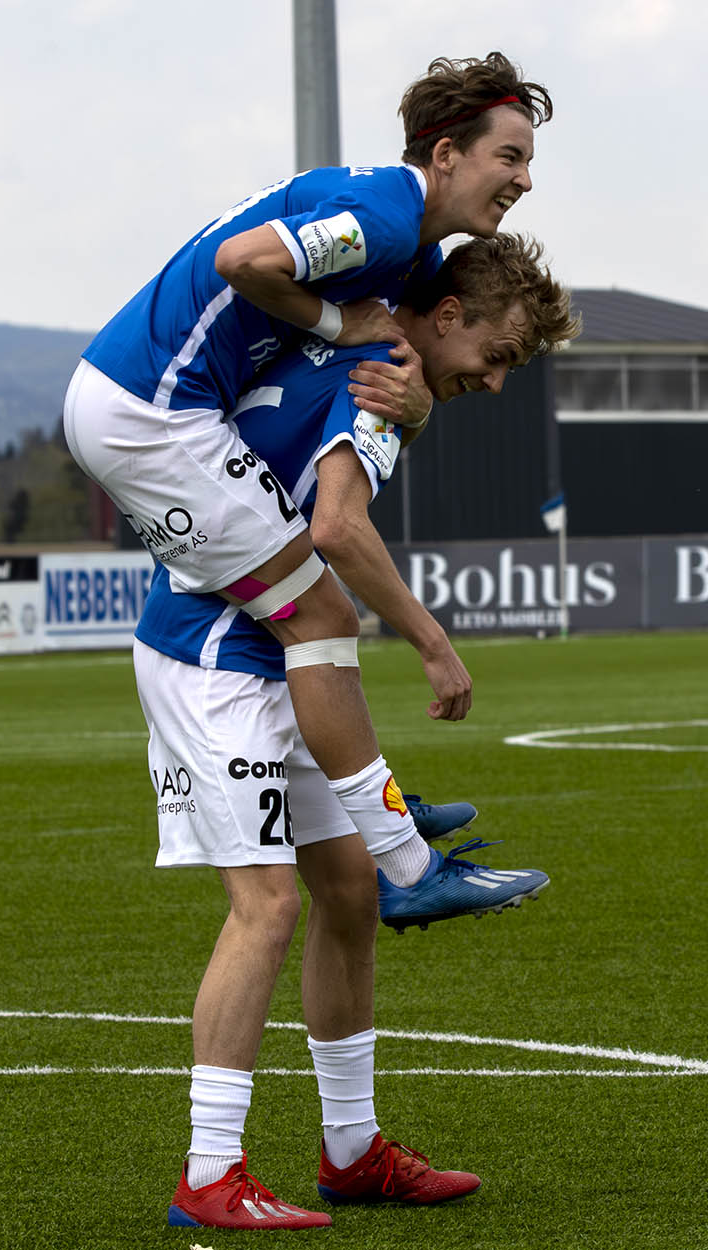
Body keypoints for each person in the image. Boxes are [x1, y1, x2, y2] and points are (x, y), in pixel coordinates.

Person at [143, 234, 581, 1231]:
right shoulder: (384, 383)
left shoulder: (351, 353)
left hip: (271, 652)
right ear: (444, 313)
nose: (498, 380)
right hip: (215, 659)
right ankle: (208, 1170)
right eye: (497, 351)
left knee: (345, 893)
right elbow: (337, 529)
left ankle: (351, 1149)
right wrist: (433, 641)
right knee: (264, 907)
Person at [63, 52, 551, 913]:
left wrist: (413, 401)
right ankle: (403, 858)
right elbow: (244, 261)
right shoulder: (391, 222)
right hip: (149, 408)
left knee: (313, 607)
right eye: (509, 156)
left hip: (151, 403)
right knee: (323, 607)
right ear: (445, 155)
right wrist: (436, 646)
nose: (523, 178)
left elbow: (371, 348)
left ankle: (379, 808)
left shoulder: (406, 246)